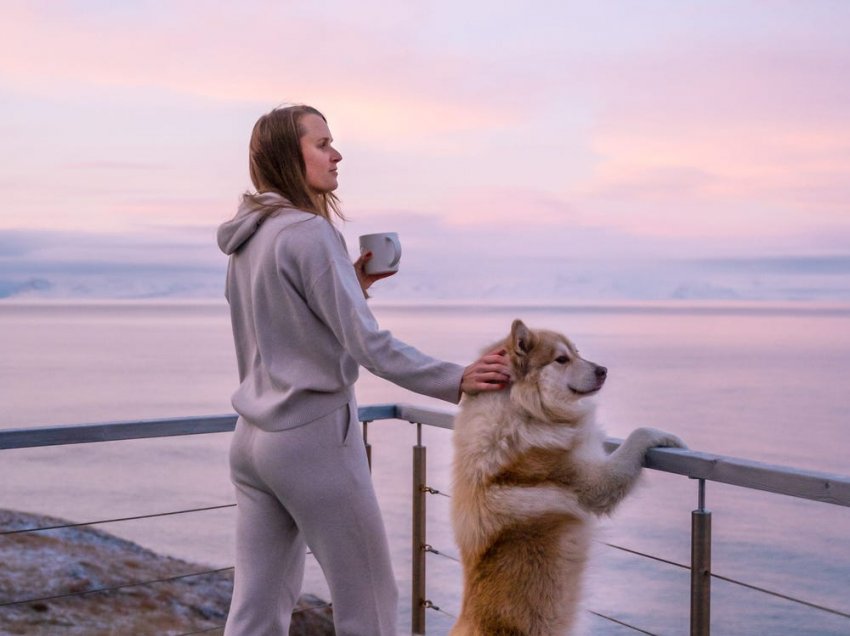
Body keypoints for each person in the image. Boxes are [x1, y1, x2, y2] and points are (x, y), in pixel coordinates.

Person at [216, 104, 511, 635]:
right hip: (310, 442)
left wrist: (354, 287)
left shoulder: (247, 240)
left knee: (256, 609)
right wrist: (456, 378)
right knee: (369, 599)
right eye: (322, 143)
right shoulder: (308, 233)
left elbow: (283, 328)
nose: (337, 154)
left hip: (253, 442)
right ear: (290, 155)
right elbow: (368, 344)